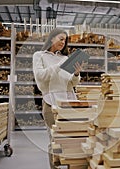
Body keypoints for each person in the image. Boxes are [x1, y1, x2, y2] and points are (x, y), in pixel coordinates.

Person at [32, 28, 82, 169]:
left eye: (65, 40)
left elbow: (71, 83)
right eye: (61, 38)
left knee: (72, 139)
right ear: (52, 38)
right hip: (51, 102)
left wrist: (76, 74)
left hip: (69, 101)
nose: (63, 42)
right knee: (55, 139)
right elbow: (40, 77)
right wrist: (58, 66)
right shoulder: (39, 56)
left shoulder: (65, 58)